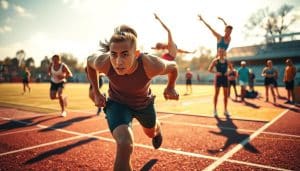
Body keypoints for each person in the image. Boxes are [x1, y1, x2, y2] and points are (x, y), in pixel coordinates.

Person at [86, 25, 179, 171]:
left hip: (143, 105)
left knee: (150, 132)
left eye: (124, 54)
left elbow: (173, 67)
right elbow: (89, 64)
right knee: (124, 143)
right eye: (114, 54)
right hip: (117, 104)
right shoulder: (104, 62)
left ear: (136, 54)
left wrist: (170, 87)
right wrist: (96, 93)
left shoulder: (151, 64)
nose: (118, 61)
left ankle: (157, 128)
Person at [208, 48, 229, 116]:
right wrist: (216, 72)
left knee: (225, 95)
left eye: (223, 52)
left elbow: (232, 69)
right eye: (220, 52)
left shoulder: (227, 61)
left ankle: (225, 110)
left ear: (224, 53)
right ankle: (215, 110)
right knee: (216, 94)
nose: (221, 53)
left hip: (225, 78)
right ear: (218, 53)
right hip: (218, 78)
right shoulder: (215, 61)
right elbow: (209, 69)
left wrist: (228, 72)